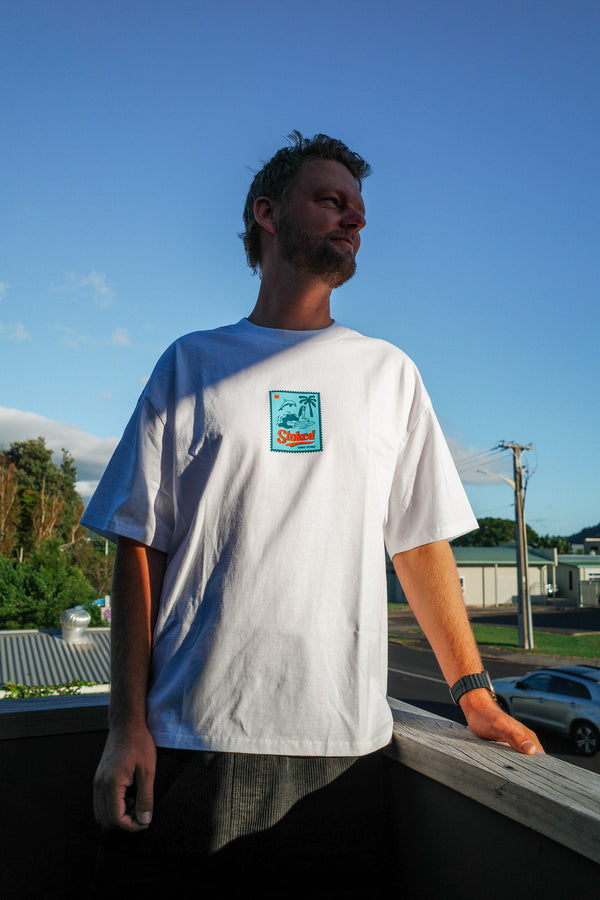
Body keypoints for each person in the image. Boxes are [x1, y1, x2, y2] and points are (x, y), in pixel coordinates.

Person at [82, 132, 542, 896]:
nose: (353, 219)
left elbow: (421, 544)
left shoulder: (389, 373)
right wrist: (124, 724)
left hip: (344, 751)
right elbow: (137, 546)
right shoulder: (191, 366)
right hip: (191, 739)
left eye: (359, 210)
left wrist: (473, 693)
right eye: (331, 200)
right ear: (265, 212)